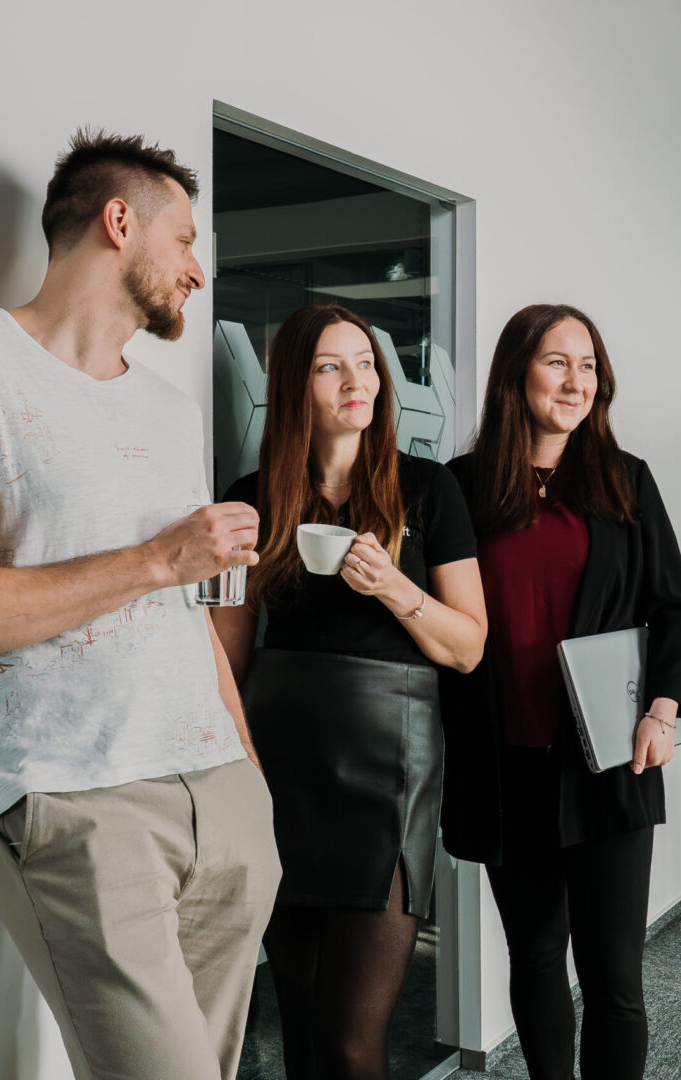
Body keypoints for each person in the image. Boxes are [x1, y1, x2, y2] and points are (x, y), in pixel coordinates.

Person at [0, 130, 280, 1080]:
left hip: (218, 791)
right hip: (75, 799)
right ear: (118, 221)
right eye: (183, 240)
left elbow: (187, 609)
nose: (199, 270)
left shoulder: (173, 411)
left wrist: (248, 775)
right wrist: (156, 558)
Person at [212, 304, 487, 1080]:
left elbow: (469, 646)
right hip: (278, 766)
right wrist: (233, 775)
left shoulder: (429, 490)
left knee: (352, 1040)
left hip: (391, 768)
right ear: (296, 385)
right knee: (295, 1024)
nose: (357, 381)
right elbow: (227, 659)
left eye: (366, 363)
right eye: (332, 366)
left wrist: (395, 589)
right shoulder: (249, 494)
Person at [442, 303, 681, 1080]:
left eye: (588, 366)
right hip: (504, 763)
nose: (576, 381)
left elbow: (674, 607)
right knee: (535, 955)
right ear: (517, 372)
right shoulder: (462, 487)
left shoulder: (626, 482)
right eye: (558, 362)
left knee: (615, 975)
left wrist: (663, 708)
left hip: (609, 761)